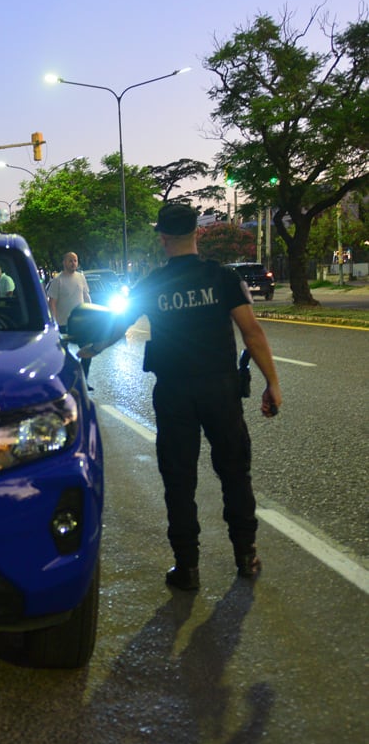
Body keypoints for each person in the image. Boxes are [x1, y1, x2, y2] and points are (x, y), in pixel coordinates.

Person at [80, 204, 281, 591]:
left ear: (162, 238)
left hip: (174, 393)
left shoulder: (152, 284)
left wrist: (88, 350)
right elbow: (251, 331)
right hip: (220, 390)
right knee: (235, 473)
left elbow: (114, 326)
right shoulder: (221, 278)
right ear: (196, 233)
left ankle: (186, 567)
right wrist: (272, 381)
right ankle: (246, 556)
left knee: (178, 479)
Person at [47, 252, 94, 386]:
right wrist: (54, 323)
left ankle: (83, 381)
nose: (73, 263)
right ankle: (65, 382)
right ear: (64, 262)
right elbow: (52, 303)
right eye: (70, 260)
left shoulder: (81, 277)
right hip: (63, 324)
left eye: (75, 260)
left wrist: (91, 314)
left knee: (88, 350)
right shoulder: (57, 280)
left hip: (81, 323)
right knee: (63, 355)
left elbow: (86, 297)